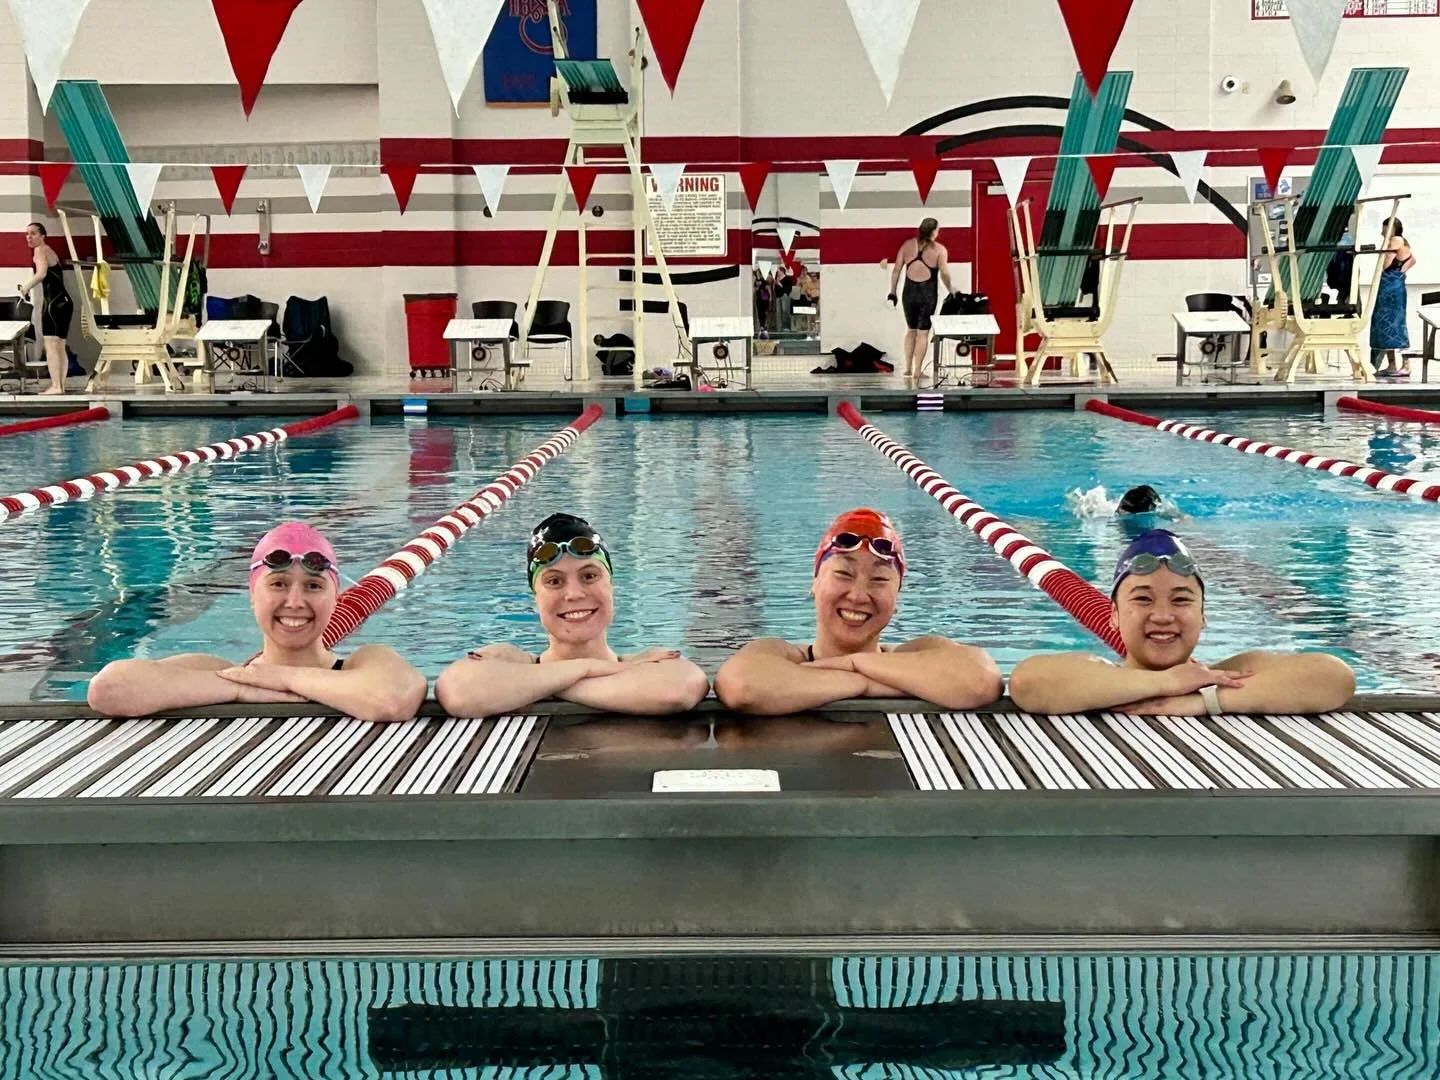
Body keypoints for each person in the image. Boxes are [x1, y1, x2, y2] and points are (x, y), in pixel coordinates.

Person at [86, 522, 427, 722]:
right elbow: (108, 688)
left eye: (313, 587)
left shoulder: (364, 663)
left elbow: (393, 698)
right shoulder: (216, 672)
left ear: (335, 597)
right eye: (278, 584)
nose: (295, 602)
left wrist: (281, 677)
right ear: (252, 595)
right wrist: (240, 688)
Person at [1008, 529, 1355, 716]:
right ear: (1112, 616)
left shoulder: (1225, 678)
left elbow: (1334, 677)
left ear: (1203, 616)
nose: (1162, 616)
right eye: (1143, 599)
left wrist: (1200, 701)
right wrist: (1166, 683)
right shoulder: (1095, 677)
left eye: (1181, 600)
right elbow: (1027, 682)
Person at [715, 509, 1003, 715]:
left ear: (897, 597)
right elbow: (741, 686)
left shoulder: (920, 651)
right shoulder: (778, 653)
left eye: (879, 580)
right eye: (843, 573)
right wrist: (866, 681)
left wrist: (853, 666)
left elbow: (983, 679)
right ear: (814, 584)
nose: (858, 595)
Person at [435, 513, 710, 718]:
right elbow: (459, 692)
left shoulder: (511, 672)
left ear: (611, 585)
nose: (574, 594)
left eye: (589, 576)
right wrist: (587, 668)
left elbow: (682, 688)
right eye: (554, 581)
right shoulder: (642, 667)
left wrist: (538, 684)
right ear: (536, 597)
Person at [887, 218, 956, 381]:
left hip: (908, 293)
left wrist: (892, 292)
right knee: (923, 333)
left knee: (911, 330)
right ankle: (918, 369)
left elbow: (896, 270)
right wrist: (951, 289)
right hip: (928, 294)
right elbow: (945, 273)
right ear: (933, 232)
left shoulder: (907, 245)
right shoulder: (939, 250)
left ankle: (908, 368)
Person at [17, 221, 74, 395]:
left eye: (33, 233)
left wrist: (25, 288)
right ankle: (60, 386)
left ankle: (56, 387)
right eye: (27, 234)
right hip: (65, 302)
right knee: (60, 345)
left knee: (50, 345)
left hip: (54, 305)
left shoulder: (40, 251)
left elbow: (41, 273)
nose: (29, 237)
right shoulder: (49, 250)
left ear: (43, 236)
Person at [1370, 217, 1415, 378]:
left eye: (1384, 229)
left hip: (1391, 290)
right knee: (1385, 325)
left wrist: (1386, 251)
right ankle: (1391, 364)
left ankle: (1405, 364)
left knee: (1395, 324)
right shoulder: (1403, 243)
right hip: (1390, 287)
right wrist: (1401, 271)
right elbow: (1413, 260)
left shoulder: (1395, 240)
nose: (1382, 232)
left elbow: (1386, 264)